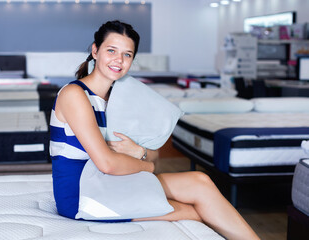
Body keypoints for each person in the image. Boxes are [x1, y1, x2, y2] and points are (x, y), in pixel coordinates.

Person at [49, 20, 259, 240]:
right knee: (193, 212)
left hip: (106, 181)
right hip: (82, 194)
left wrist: (140, 152)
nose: (118, 60)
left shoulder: (118, 97)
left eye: (127, 55)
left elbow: (152, 152)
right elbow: (108, 163)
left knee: (201, 181)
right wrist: (146, 165)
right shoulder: (75, 94)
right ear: (95, 50)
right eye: (111, 50)